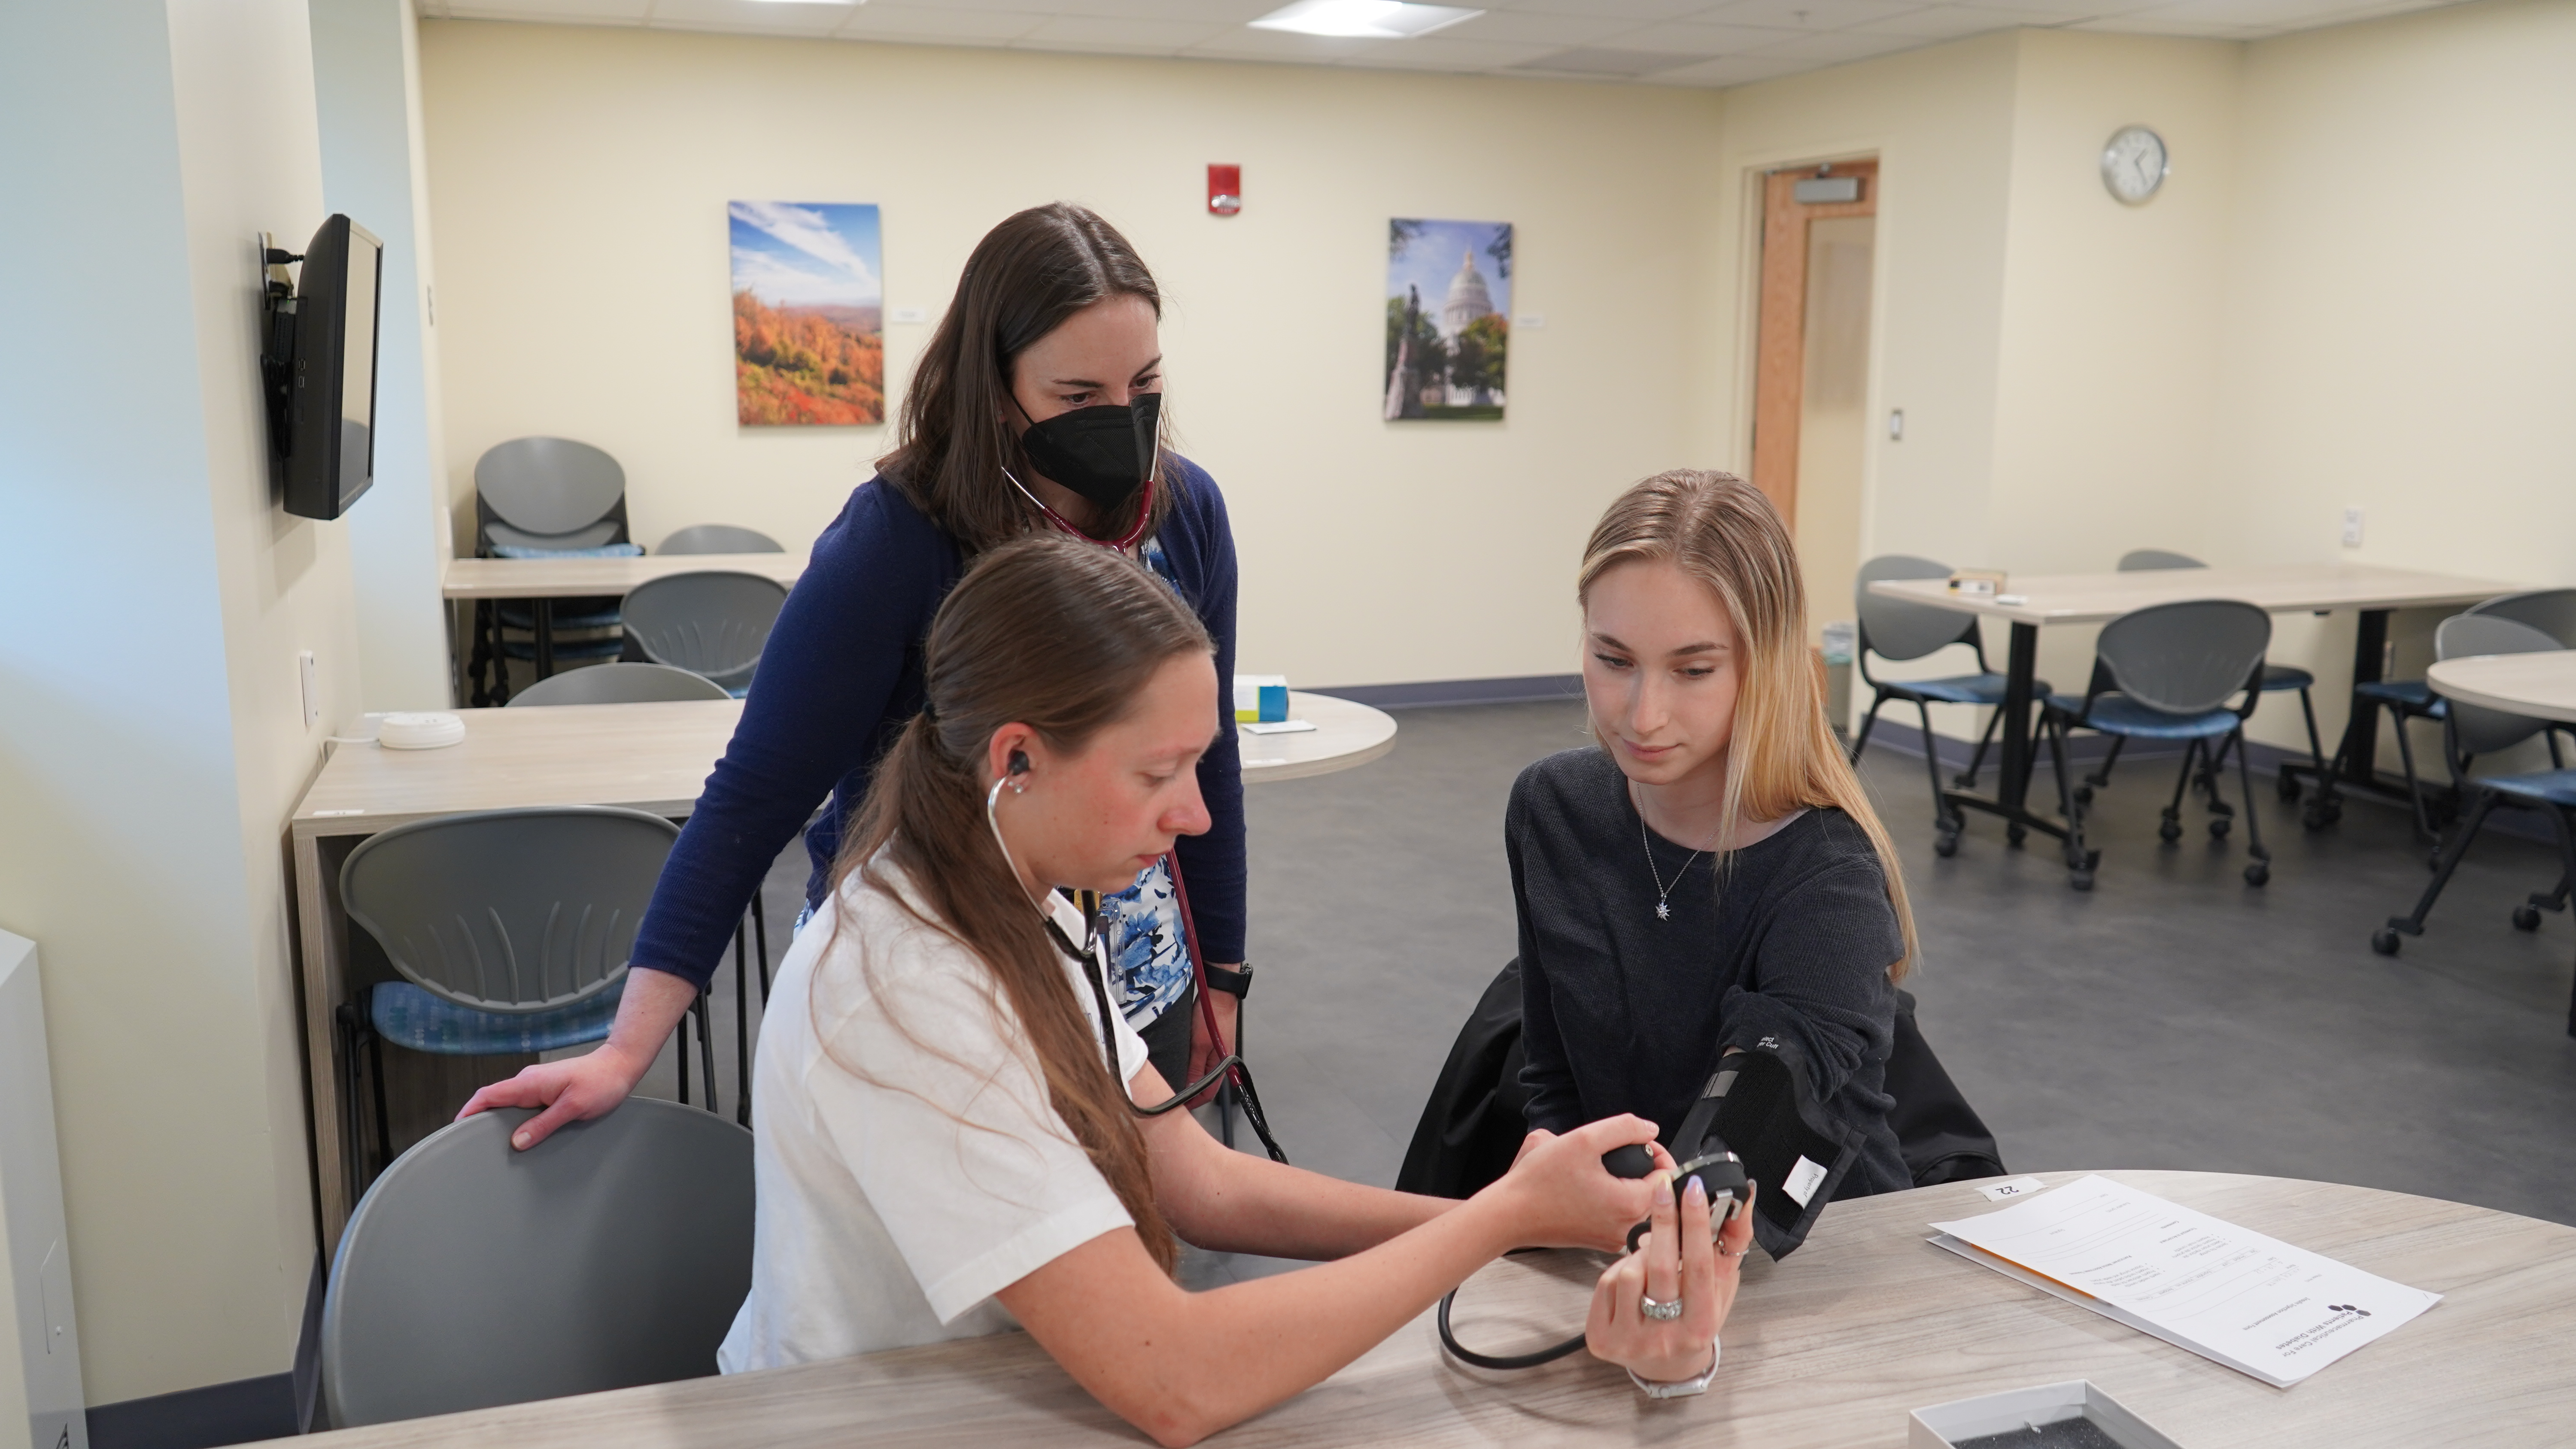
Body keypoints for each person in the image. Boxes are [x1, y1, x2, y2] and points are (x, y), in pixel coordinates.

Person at [725, 535, 1755, 1442]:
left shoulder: (1012, 885)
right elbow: (1175, 1379)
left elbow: (1194, 1180)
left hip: (992, 1382)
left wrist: (1502, 1212)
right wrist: (1493, 1223)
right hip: (867, 1413)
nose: (1197, 816)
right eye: (1156, 772)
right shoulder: (907, 986)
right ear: (1018, 759)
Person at [461, 203, 1252, 1146]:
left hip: (1132, 976)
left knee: (1132, 1245)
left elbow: (1211, 766)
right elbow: (753, 796)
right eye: (1079, 396)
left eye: (1147, 382)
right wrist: (626, 1049)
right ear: (998, 390)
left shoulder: (1186, 510)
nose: (1122, 421)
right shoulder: (895, 539)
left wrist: (1223, 979)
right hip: (935, 993)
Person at [1513, 470, 1919, 1220]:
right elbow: (1554, 1075)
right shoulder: (1552, 810)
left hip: (1808, 1253)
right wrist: (1553, 1180)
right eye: (1613, 660)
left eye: (1693, 671)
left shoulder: (1828, 879)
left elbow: (1743, 1163)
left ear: (1760, 667)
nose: (1644, 715)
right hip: (1627, 1228)